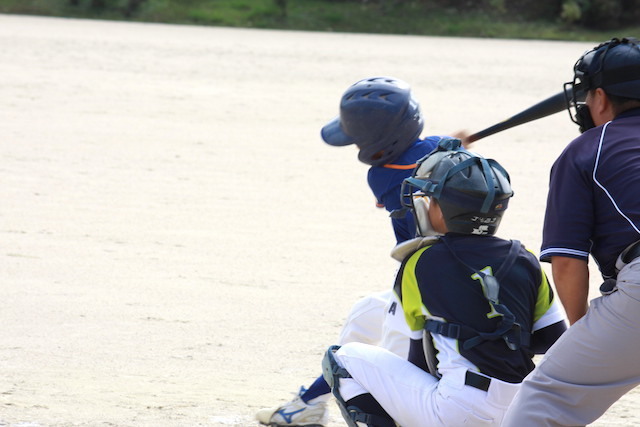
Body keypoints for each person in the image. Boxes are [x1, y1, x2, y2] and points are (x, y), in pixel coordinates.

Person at [321, 141, 567, 427]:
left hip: (458, 409)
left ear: (441, 208)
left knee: (343, 358)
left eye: (431, 199)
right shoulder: (525, 258)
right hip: (521, 409)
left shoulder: (420, 260)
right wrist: (500, 332)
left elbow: (418, 360)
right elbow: (554, 341)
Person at [256, 77, 448, 426]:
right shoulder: (446, 152)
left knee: (384, 363)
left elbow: (414, 170)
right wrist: (452, 148)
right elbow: (434, 155)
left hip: (424, 291)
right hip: (427, 277)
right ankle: (312, 401)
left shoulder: (383, 175)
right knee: (364, 313)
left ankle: (341, 405)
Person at [501, 37, 640, 426]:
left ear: (599, 97)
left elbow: (566, 261)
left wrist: (584, 334)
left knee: (545, 398)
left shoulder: (587, 150)